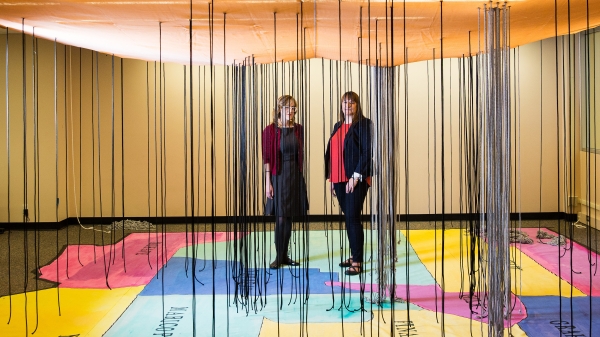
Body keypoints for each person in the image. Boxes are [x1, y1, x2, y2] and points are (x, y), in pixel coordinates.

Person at [325, 91, 373, 276]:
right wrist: (330, 178)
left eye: (352, 103)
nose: (348, 105)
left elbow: (367, 152)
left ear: (357, 105)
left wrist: (355, 176)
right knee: (349, 218)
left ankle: (358, 261)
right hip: (338, 179)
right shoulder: (338, 126)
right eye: (345, 102)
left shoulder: (364, 124)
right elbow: (333, 153)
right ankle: (354, 255)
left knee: (353, 218)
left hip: (355, 179)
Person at [262, 95, 308, 269]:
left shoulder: (298, 129)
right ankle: (279, 256)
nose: (291, 111)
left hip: (295, 175)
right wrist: (268, 182)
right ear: (280, 109)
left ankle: (284, 255)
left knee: (289, 218)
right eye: (288, 107)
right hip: (279, 175)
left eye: (294, 108)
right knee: (281, 218)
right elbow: (267, 158)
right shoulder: (270, 130)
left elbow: (299, 155)